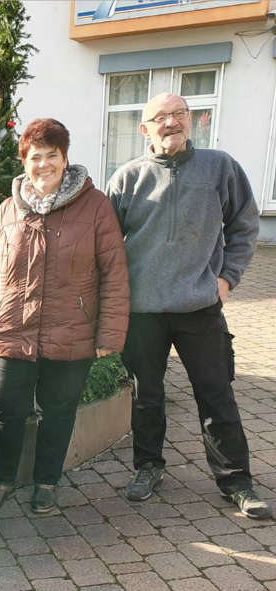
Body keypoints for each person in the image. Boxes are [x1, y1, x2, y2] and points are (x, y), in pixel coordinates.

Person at [106, 93, 270, 519]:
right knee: (147, 396)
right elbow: (106, 247)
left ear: (191, 121)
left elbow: (245, 224)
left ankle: (236, 481)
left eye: (178, 114)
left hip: (199, 306)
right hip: (144, 311)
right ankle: (148, 468)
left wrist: (226, 278)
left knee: (216, 394)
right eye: (160, 117)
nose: (171, 123)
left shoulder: (220, 167)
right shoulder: (127, 179)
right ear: (145, 130)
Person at [0, 118, 129, 514]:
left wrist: (108, 336)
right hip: (13, 329)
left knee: (58, 413)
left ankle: (46, 482)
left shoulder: (95, 207)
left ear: (65, 159)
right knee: (4, 410)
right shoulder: (9, 209)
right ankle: (2, 480)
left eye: (52, 156)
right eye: (35, 157)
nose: (43, 164)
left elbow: (114, 272)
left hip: (72, 332)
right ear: (24, 161)